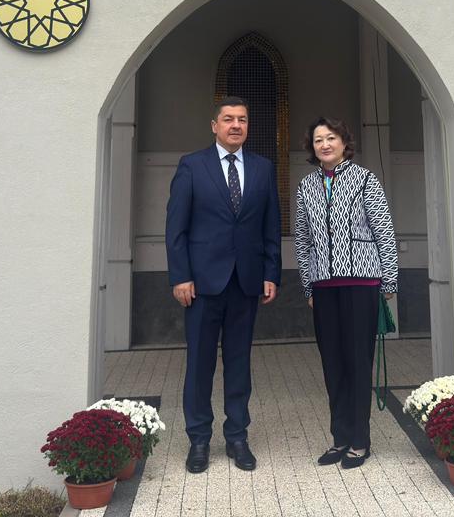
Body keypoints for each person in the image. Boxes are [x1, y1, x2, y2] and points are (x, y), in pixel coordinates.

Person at [165, 96, 281, 474]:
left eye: (242, 119)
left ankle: (237, 436)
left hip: (246, 282)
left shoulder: (263, 168)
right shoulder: (192, 166)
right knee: (200, 364)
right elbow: (176, 227)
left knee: (239, 363)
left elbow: (271, 226)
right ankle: (199, 438)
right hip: (201, 284)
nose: (235, 125)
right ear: (214, 126)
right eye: (228, 119)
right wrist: (180, 275)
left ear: (248, 126)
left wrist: (271, 272)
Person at [294, 117, 398, 470]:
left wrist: (389, 282)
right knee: (332, 363)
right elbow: (303, 240)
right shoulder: (306, 186)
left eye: (331, 138)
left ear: (343, 143)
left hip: (361, 283)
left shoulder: (365, 179)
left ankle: (360, 441)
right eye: (318, 139)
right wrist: (307, 285)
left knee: (357, 362)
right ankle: (339, 438)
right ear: (312, 147)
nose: (324, 144)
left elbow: (384, 231)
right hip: (323, 287)